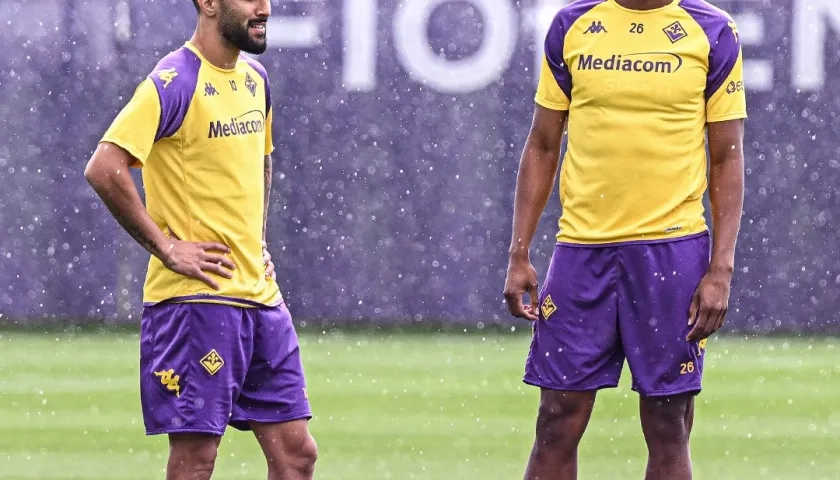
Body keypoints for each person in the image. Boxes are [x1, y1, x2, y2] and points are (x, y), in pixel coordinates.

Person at [503, 0, 746, 478]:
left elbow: (726, 157)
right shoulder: (573, 25)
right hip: (581, 250)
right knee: (556, 419)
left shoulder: (712, 30)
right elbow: (544, 143)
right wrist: (519, 253)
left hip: (671, 252)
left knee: (667, 422)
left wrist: (721, 268)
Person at [84, 1, 317, 478]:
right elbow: (104, 169)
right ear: (209, 4)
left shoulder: (256, 78)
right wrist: (167, 248)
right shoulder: (174, 80)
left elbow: (262, 160)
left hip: (260, 298)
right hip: (197, 304)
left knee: (297, 457)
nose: (265, 8)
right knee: (196, 460)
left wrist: (258, 238)